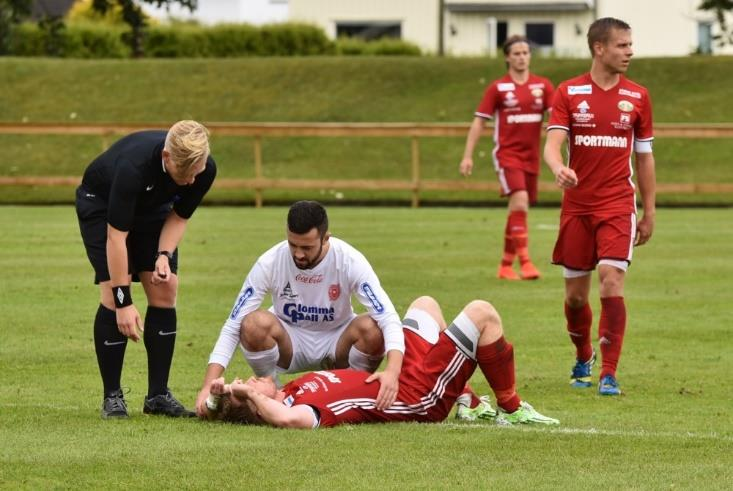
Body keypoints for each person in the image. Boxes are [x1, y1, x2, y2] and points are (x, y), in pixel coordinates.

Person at [204, 295, 559, 428]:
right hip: (418, 396)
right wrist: (248, 396)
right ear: (259, 403)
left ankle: (465, 399)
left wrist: (222, 396)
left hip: (400, 374)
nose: (250, 378)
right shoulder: (303, 409)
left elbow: (215, 408)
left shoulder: (294, 389)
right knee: (483, 313)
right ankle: (511, 409)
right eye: (250, 384)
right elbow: (284, 420)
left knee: (424, 305)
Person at [195, 200, 405, 417]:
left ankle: (348, 392)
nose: (298, 254)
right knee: (253, 323)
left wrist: (392, 371)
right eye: (292, 244)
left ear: (325, 238)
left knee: (372, 328)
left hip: (336, 341)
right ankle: (274, 393)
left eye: (307, 247)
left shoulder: (350, 260)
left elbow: (388, 317)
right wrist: (206, 387)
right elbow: (233, 324)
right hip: (290, 342)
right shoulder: (270, 261)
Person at [543, 18, 656, 396]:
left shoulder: (638, 96)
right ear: (599, 48)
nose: (630, 51)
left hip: (617, 204)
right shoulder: (569, 92)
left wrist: (650, 210)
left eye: (630, 44)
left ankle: (609, 372)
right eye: (622, 45)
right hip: (577, 207)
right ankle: (583, 353)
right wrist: (559, 168)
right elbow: (553, 144)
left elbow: (645, 158)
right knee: (575, 297)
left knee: (611, 279)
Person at [75, 120, 217, 419]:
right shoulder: (133, 168)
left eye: (197, 172)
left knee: (166, 287)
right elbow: (117, 237)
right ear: (167, 158)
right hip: (101, 205)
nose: (192, 181)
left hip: (152, 208)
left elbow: (178, 217)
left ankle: (158, 396)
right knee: (113, 298)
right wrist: (124, 302)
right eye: (185, 174)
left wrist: (163, 255)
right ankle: (112, 396)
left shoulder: (203, 170)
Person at [459, 35, 554, 280]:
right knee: (520, 200)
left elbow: (557, 118)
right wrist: (467, 156)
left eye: (526, 52)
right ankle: (526, 262)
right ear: (507, 58)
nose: (522, 57)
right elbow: (479, 121)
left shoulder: (542, 86)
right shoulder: (498, 88)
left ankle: (504, 266)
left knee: (518, 209)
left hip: (532, 157)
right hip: (507, 155)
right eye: (517, 53)